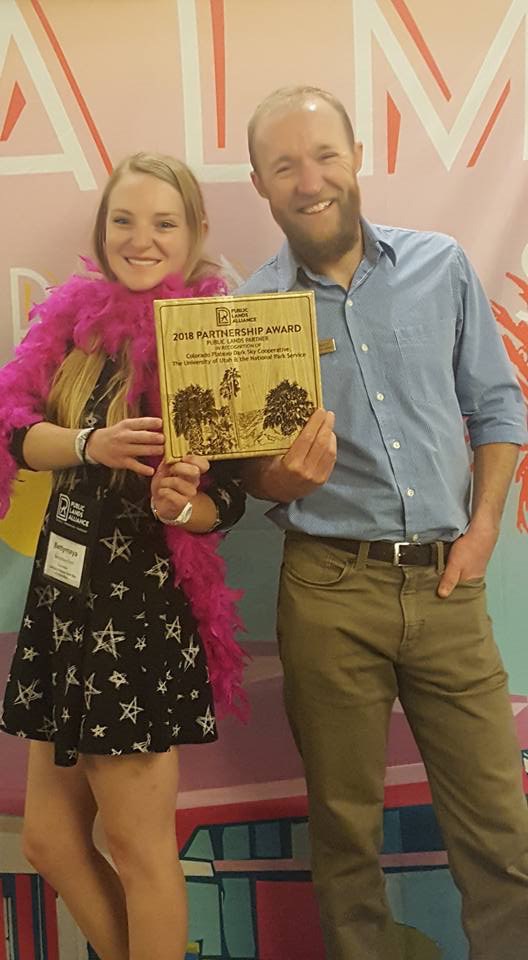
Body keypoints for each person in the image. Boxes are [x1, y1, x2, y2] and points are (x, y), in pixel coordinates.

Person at [237, 86, 528, 960]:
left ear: (356, 154)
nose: (310, 179)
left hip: (448, 586)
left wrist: (481, 532)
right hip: (327, 591)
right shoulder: (250, 315)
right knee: (344, 831)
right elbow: (243, 478)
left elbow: (499, 403)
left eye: (324, 154)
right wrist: (273, 478)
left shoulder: (440, 266)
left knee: (500, 831)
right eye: (285, 165)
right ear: (259, 183)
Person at [0, 153, 246, 960]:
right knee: (48, 840)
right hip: (62, 608)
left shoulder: (210, 339)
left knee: (141, 851)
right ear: (102, 231)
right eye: (124, 221)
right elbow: (14, 432)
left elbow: (230, 501)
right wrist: (87, 442)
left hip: (135, 626)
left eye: (163, 223)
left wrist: (184, 501)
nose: (141, 239)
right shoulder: (72, 326)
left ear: (195, 233)